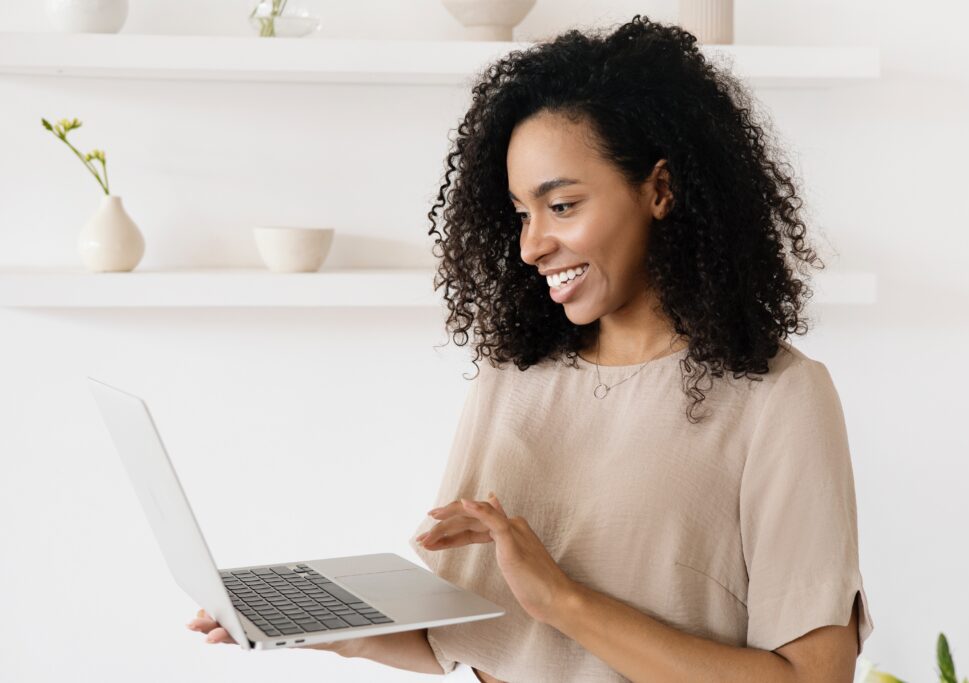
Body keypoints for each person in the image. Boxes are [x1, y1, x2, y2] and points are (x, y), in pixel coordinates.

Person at [188, 14, 874, 682]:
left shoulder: (778, 398)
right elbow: (465, 634)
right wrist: (337, 627)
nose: (532, 244)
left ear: (659, 189)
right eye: (522, 212)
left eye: (563, 205)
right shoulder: (512, 378)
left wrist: (565, 601)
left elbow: (815, 676)